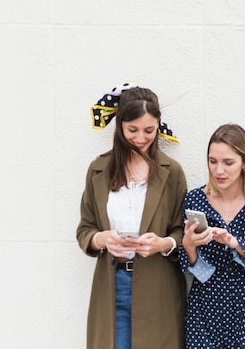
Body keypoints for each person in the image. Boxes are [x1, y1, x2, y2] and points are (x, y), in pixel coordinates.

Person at [76, 82, 188, 349]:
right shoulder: (98, 170)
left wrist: (163, 244)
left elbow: (182, 231)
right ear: (120, 128)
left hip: (158, 287)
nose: (141, 138)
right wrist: (102, 239)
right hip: (111, 286)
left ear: (158, 126)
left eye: (149, 130)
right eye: (132, 130)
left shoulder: (171, 172)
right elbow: (84, 230)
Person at [180, 123, 245, 349]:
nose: (219, 171)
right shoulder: (195, 199)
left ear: (244, 163)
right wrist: (189, 246)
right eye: (212, 161)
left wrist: (236, 243)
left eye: (228, 163)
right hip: (204, 310)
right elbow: (188, 265)